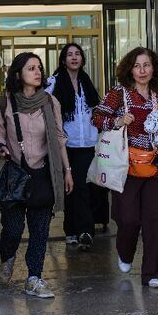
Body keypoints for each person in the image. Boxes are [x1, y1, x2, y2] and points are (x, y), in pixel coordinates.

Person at [0, 52, 74, 298]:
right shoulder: (4, 104)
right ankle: (7, 256)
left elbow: (59, 139)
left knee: (39, 232)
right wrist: (1, 148)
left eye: (39, 68)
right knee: (13, 230)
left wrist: (67, 171)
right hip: (16, 176)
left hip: (43, 175)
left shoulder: (50, 102)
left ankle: (34, 278)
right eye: (31, 68)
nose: (38, 72)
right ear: (18, 74)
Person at [92, 46, 158, 288]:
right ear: (129, 68)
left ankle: (153, 273)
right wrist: (117, 120)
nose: (142, 70)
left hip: (157, 166)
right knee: (127, 219)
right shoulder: (119, 93)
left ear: (154, 68)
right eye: (137, 65)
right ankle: (125, 252)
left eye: (146, 65)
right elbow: (96, 117)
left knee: (157, 220)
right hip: (126, 167)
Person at [46, 43, 107, 251]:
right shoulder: (54, 82)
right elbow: (43, 105)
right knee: (70, 187)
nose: (74, 57)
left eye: (77, 54)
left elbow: (96, 110)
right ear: (63, 60)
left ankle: (84, 231)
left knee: (82, 186)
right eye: (69, 54)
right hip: (65, 144)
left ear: (82, 59)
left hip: (86, 143)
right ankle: (72, 230)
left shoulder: (86, 82)